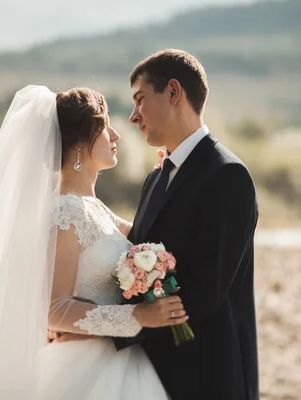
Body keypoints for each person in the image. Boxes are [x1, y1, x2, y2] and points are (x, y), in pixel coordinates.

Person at [0, 85, 186, 399]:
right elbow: (54, 309)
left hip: (119, 358)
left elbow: (144, 233)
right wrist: (137, 317)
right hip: (85, 367)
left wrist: (164, 176)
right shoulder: (66, 212)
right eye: (104, 125)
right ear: (78, 145)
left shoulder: (93, 207)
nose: (116, 135)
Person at [58, 49, 260, 399]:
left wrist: (107, 329)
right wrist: (90, 321)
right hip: (153, 371)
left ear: (173, 92)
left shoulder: (227, 175)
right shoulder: (157, 178)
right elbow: (134, 258)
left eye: (139, 100)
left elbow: (203, 293)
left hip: (207, 374)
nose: (133, 117)